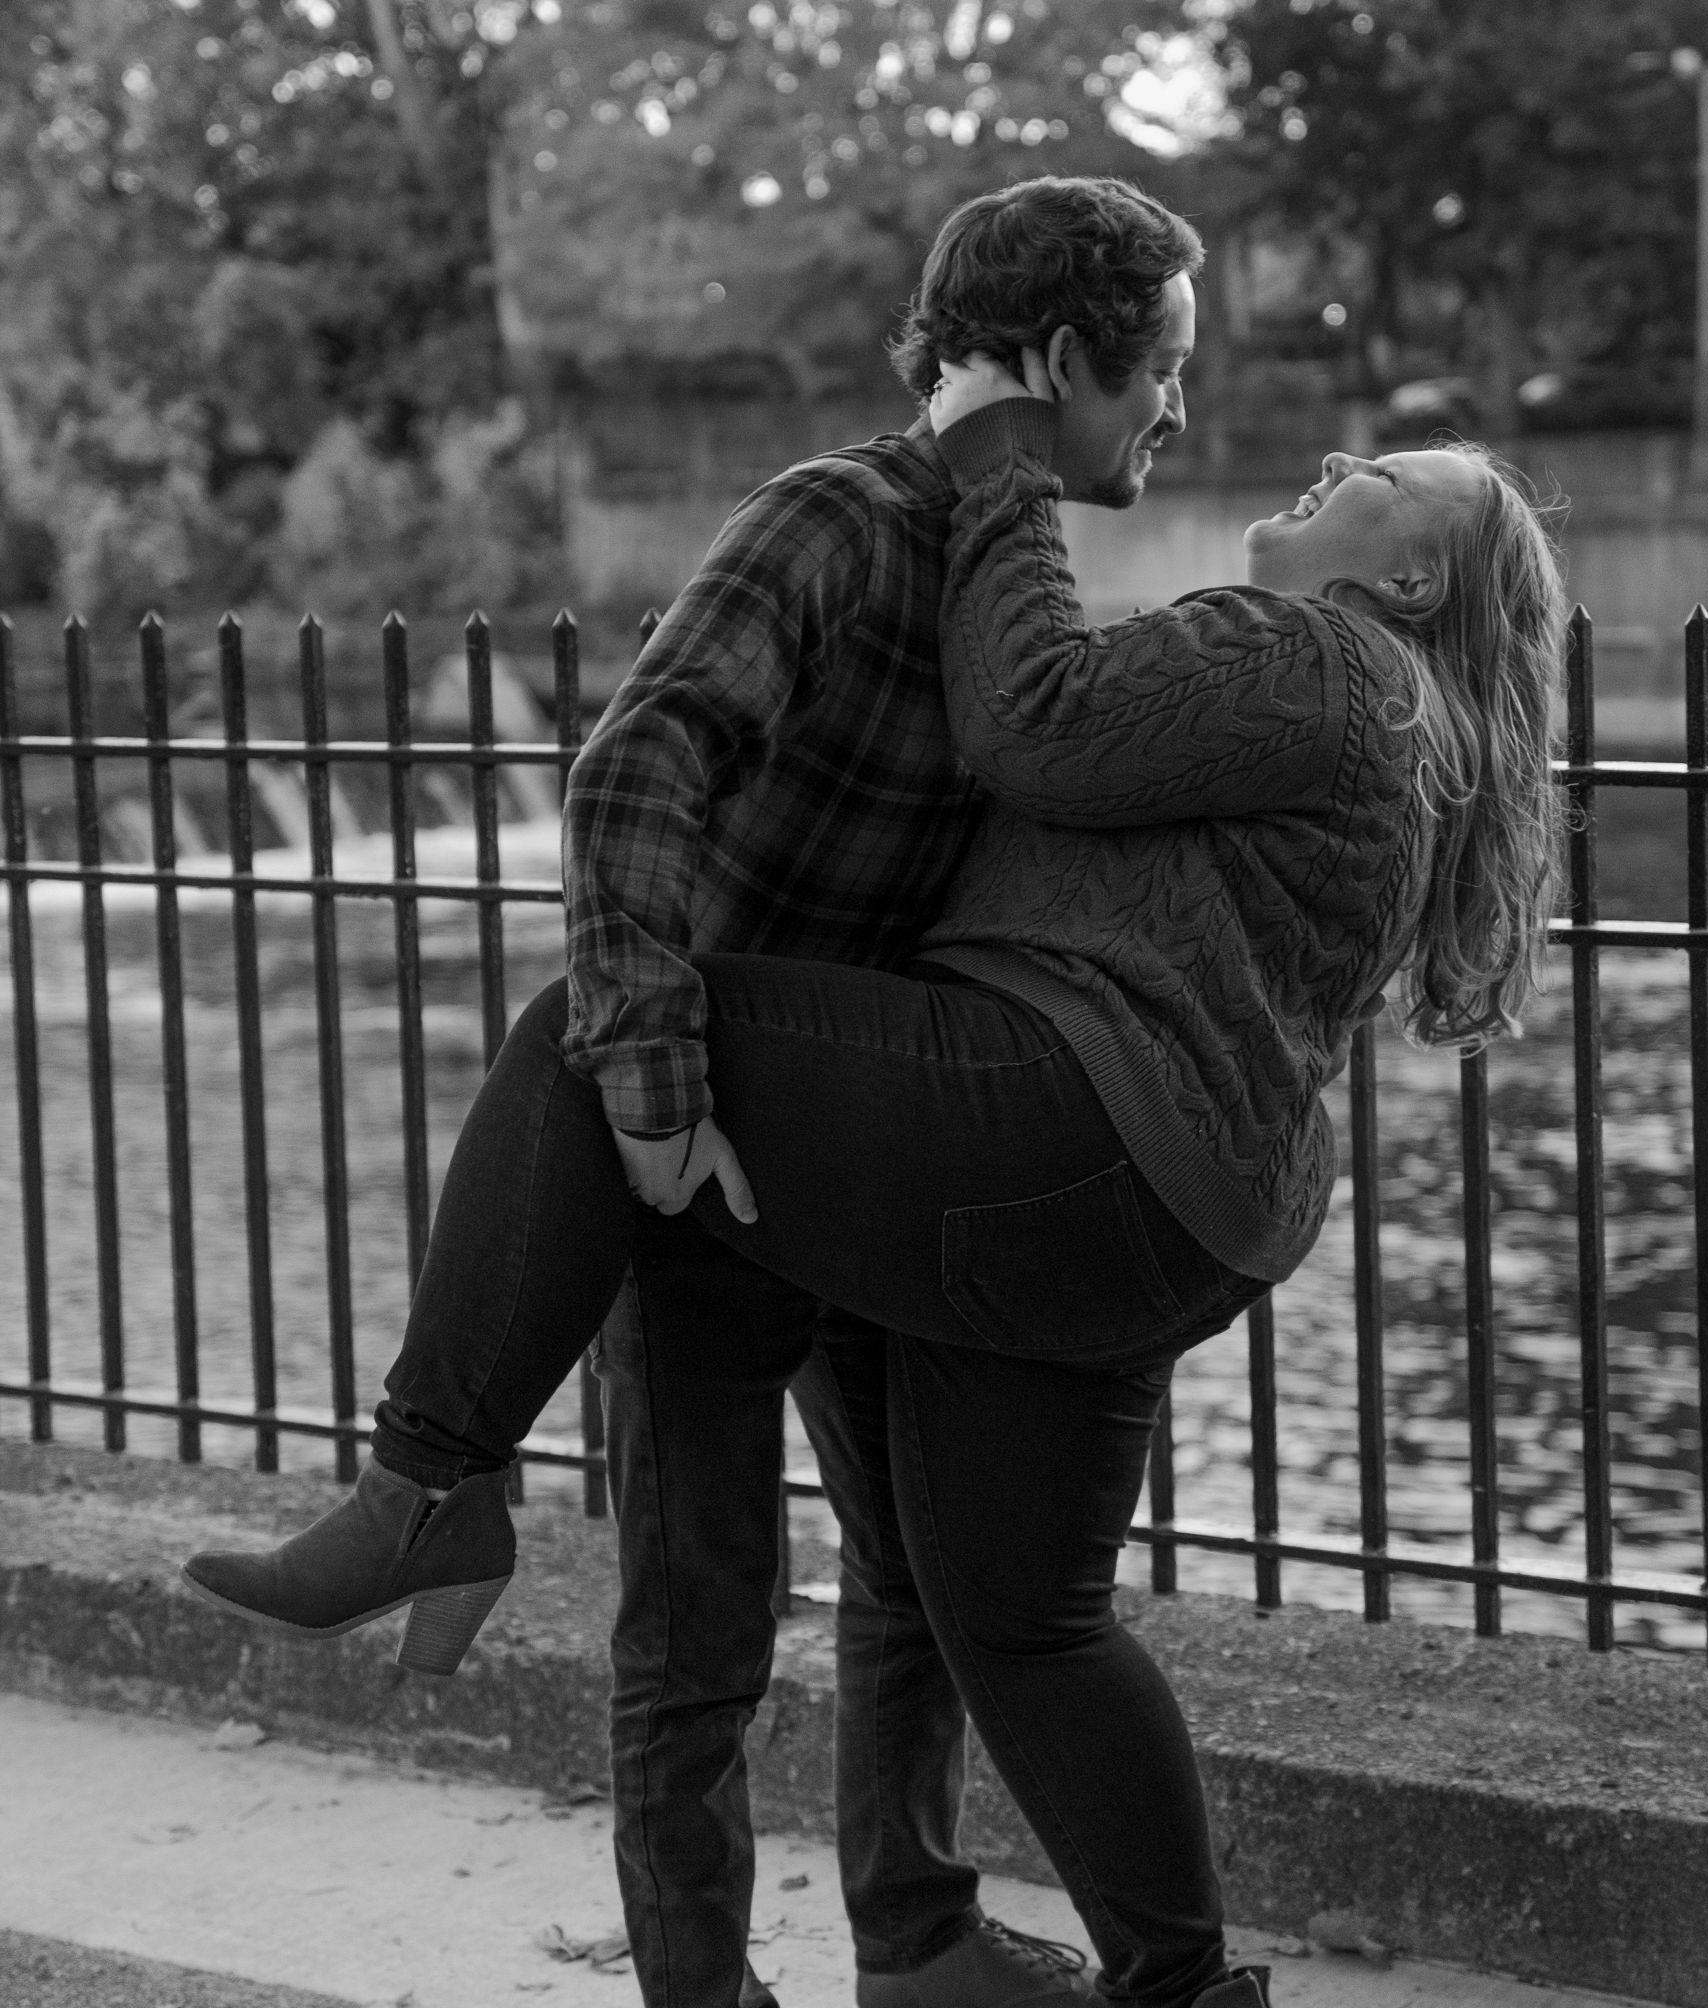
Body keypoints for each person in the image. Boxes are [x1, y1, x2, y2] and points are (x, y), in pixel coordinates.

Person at [183, 354, 1568, 2005]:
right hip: (1169, 1209)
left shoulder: (1319, 656)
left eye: (1379, 482)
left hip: (1063, 1120)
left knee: (585, 1032)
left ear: (1409, 581)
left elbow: (1034, 713)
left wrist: (1002, 465)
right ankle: (1161, 1989)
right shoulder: (1390, 720)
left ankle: (425, 1485)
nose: (1334, 466)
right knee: (1027, 1622)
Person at [186, 176, 1210, 2008]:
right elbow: (631, 770)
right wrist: (656, 1092)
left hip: (879, 1153)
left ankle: (915, 1945)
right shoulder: (836, 516)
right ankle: (700, 1988)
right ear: (1065, 358)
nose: (1179, 413)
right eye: (1162, 373)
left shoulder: (1015, 567)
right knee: (698, 1625)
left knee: (914, 1579)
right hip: (703, 1166)